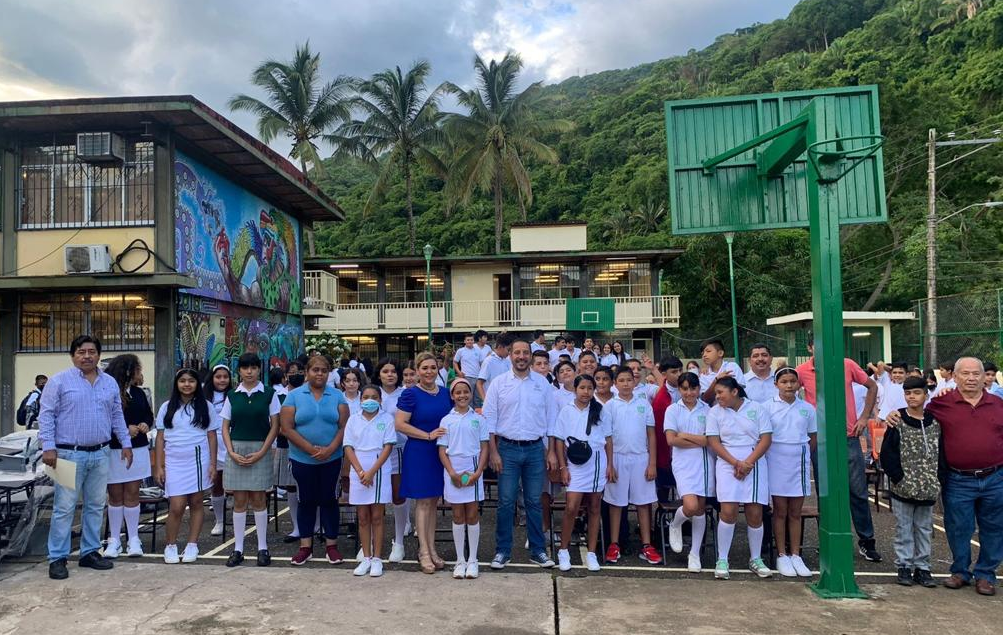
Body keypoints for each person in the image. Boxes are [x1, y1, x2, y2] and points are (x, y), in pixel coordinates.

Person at [890, 357, 1003, 596]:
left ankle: (986, 575)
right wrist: (893, 415)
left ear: (985, 378)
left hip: (995, 477)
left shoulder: (998, 404)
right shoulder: (940, 405)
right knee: (957, 527)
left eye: (976, 374)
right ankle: (960, 571)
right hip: (958, 479)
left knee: (994, 528)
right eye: (965, 373)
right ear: (955, 376)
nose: (971, 378)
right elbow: (916, 416)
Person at [38, 335, 133, 580]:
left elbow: (116, 416)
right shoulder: (58, 381)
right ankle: (57, 557)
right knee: (64, 507)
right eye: (81, 352)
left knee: (95, 505)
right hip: (67, 454)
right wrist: (48, 447)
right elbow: (46, 416)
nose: (87, 356)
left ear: (99, 355)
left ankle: (90, 551)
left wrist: (126, 443)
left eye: (91, 351)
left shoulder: (109, 382)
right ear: (73, 356)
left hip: (100, 452)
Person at [795, 338, 882, 562]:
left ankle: (867, 541)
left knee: (857, 492)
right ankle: (828, 540)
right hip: (820, 441)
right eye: (816, 344)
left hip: (848, 437)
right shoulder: (802, 371)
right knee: (825, 493)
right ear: (810, 348)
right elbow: (787, 392)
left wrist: (864, 417)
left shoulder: (847, 364)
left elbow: (872, 386)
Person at [483, 339, 558, 570]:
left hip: (536, 449)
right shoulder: (498, 384)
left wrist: (552, 451)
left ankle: (538, 551)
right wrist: (493, 452)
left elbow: (551, 420)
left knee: (534, 502)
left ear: (530, 356)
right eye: (517, 352)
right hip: (506, 449)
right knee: (505, 502)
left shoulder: (542, 384)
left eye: (526, 352)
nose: (521, 356)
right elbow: (489, 421)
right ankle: (502, 551)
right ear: (510, 356)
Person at [281, 354, 349, 566]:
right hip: (302, 459)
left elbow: (344, 426)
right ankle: (305, 547)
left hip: (332, 458)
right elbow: (287, 428)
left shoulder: (337, 395)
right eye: (315, 370)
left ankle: (331, 546)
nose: (319, 374)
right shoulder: (294, 396)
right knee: (306, 500)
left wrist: (329, 449)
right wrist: (310, 449)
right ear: (307, 372)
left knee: (329, 499)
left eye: (323, 370)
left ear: (328, 373)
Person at [706, 376, 773, 580]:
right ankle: (723, 559)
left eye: (720, 393)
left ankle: (755, 558)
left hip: (754, 462)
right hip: (727, 462)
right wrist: (736, 463)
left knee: (755, 512)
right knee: (728, 511)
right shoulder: (714, 412)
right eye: (716, 393)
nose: (717, 397)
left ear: (734, 391)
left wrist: (748, 462)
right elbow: (713, 442)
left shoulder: (757, 409)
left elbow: (766, 438)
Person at [221, 353, 281, 567]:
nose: (249, 371)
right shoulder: (232, 395)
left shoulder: (269, 394)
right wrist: (231, 451)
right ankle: (238, 549)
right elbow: (225, 427)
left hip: (260, 448)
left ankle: (262, 548)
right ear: (239, 370)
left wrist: (263, 451)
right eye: (245, 367)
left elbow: (275, 425)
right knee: (238, 501)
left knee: (258, 499)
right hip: (236, 449)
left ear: (259, 370)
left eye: (253, 367)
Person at [395, 351, 454, 573]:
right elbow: (400, 424)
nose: (429, 372)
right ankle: (424, 551)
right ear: (417, 371)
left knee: (434, 501)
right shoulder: (410, 394)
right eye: (424, 368)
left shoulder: (446, 393)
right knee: (423, 502)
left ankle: (432, 548)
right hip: (420, 451)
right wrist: (427, 435)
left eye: (432, 368)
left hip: (440, 453)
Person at [155, 368, 220, 563]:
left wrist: (213, 465)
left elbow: (211, 436)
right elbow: (160, 438)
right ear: (176, 383)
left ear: (196, 384)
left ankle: (192, 544)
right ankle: (171, 545)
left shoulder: (206, 406)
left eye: (191, 381)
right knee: (176, 506)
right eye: (182, 380)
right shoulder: (166, 407)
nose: (186, 384)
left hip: (198, 460)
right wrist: (159, 466)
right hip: (174, 461)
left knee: (197, 502)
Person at [881, 376, 940, 588]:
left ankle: (923, 567)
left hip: (928, 487)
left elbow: (941, 453)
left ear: (926, 394)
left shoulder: (935, 421)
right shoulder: (897, 421)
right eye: (908, 393)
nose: (912, 397)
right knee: (903, 528)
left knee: (924, 528)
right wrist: (899, 478)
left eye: (916, 393)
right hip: (903, 487)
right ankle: (904, 565)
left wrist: (937, 479)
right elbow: (887, 454)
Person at [601, 367, 662, 566]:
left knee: (643, 503)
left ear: (634, 382)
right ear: (615, 384)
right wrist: (610, 464)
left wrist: (652, 462)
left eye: (629, 380)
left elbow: (651, 435)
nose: (626, 383)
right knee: (616, 503)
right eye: (621, 380)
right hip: (617, 458)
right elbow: (607, 437)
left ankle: (646, 544)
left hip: (640, 458)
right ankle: (614, 543)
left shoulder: (644, 404)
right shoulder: (610, 406)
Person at [554, 374, 612, 572]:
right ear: (575, 389)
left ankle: (592, 552)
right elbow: (560, 440)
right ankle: (564, 550)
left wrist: (610, 465)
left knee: (595, 507)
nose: (586, 392)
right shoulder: (566, 411)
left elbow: (608, 439)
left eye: (589, 388)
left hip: (596, 461)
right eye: (582, 388)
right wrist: (563, 467)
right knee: (572, 507)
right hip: (575, 464)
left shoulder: (600, 410)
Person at [764, 368, 816, 578]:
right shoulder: (766, 407)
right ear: (776, 384)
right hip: (776, 460)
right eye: (784, 381)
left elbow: (812, 436)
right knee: (780, 511)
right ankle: (782, 555)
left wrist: (801, 453)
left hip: (798, 463)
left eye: (792, 381)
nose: (788, 385)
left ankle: (796, 554)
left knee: (795, 512)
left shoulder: (807, 408)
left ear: (798, 384)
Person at [103, 354, 154, 559]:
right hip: (114, 449)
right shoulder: (108, 391)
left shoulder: (139, 393)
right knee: (115, 495)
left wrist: (144, 424)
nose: (140, 374)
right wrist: (125, 430)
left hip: (138, 448)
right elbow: (104, 419)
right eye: (137, 370)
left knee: (133, 493)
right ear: (127, 370)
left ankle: (133, 538)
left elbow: (149, 415)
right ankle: (114, 539)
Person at [437, 378, 489, 579]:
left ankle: (473, 560)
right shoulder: (446, 420)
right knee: (458, 515)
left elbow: (485, 447)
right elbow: (442, 450)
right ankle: (460, 560)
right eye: (457, 392)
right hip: (454, 469)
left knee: (473, 514)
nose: (462, 396)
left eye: (465, 392)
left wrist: (478, 472)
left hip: (474, 469)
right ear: (452, 396)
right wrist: (451, 472)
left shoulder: (479, 418)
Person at [664, 371, 714, 572]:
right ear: (679, 389)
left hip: (704, 463)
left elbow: (709, 441)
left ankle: (694, 554)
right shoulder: (673, 410)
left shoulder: (708, 409)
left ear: (699, 389)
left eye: (693, 388)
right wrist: (698, 440)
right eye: (685, 388)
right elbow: (671, 440)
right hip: (683, 464)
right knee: (691, 506)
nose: (689, 392)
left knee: (700, 508)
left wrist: (684, 435)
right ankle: (675, 524)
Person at [344, 385, 396, 577]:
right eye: (366, 397)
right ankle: (365, 558)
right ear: (360, 399)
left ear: (380, 400)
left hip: (379, 470)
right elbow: (348, 447)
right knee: (363, 517)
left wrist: (372, 472)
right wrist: (360, 471)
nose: (370, 400)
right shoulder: (353, 420)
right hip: (358, 470)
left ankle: (377, 559)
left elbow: (388, 446)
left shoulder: (387, 419)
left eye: (374, 397)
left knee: (376, 516)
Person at [373, 358, 410, 563]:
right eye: (385, 371)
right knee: (374, 497)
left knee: (398, 496)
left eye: (394, 371)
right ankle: (368, 543)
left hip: (398, 450)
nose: (390, 374)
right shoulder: (370, 394)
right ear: (379, 374)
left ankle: (399, 543)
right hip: (374, 452)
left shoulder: (405, 394)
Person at [275, 361, 303, 543]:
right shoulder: (278, 396)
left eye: (299, 371)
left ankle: (315, 524)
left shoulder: (310, 394)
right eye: (292, 372)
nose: (296, 375)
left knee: (309, 487)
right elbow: (276, 425)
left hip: (309, 446)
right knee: (291, 487)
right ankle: (296, 527)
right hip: (286, 445)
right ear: (285, 376)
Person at [202, 364, 232, 536]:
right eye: (218, 377)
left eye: (225, 377)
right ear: (212, 378)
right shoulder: (204, 398)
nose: (222, 380)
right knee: (217, 483)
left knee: (237, 485)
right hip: (212, 444)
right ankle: (220, 521)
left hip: (231, 442)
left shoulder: (234, 396)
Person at [652, 356, 683, 517]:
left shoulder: (688, 389)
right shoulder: (661, 398)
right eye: (673, 372)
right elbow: (658, 430)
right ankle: (665, 522)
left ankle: (685, 522)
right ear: (664, 374)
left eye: (680, 371)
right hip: (666, 449)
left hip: (686, 448)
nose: (678, 375)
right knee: (664, 490)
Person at [698, 338, 745, 405]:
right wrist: (716, 380)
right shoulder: (703, 375)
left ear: (720, 353)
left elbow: (740, 392)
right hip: (716, 413)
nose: (704, 355)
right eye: (702, 354)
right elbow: (705, 399)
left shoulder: (732, 367)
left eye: (708, 351)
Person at [477, 332, 514, 401]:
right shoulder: (489, 361)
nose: (509, 353)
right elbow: (479, 384)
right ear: (500, 347)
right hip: (492, 401)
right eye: (508, 350)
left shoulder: (508, 360)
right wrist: (485, 401)